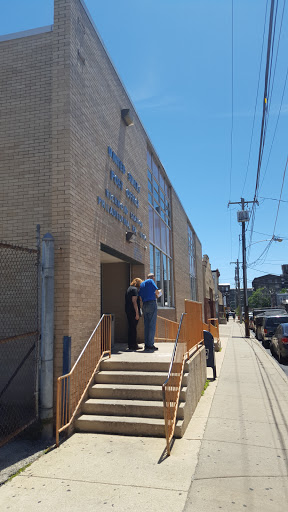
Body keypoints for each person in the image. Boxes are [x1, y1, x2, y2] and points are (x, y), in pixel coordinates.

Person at [138, 273, 162, 351]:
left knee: (146, 325)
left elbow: (140, 298)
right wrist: (158, 294)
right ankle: (150, 344)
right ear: (152, 277)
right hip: (152, 303)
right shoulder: (150, 281)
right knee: (152, 325)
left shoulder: (142, 284)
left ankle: (147, 344)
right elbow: (157, 292)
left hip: (144, 305)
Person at [125, 278, 143, 350]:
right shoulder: (135, 290)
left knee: (130, 328)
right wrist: (137, 313)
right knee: (133, 328)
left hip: (128, 311)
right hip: (133, 312)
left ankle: (130, 345)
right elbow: (134, 301)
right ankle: (134, 345)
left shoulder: (129, 289)